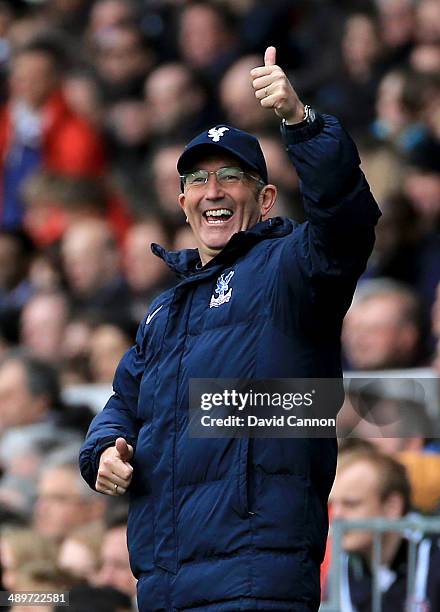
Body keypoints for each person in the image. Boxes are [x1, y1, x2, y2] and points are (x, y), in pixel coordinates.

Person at [80, 47, 381, 611]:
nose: (212, 191)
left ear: (266, 198)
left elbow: (346, 222)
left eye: (231, 177)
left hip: (254, 581)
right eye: (198, 179)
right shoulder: (163, 313)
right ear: (182, 202)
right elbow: (123, 403)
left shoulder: (291, 268)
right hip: (164, 585)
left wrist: (302, 123)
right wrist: (102, 452)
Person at [330, 447, 440, 611]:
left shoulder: (434, 560)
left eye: (351, 504)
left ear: (392, 507)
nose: (336, 516)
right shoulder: (341, 568)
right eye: (332, 505)